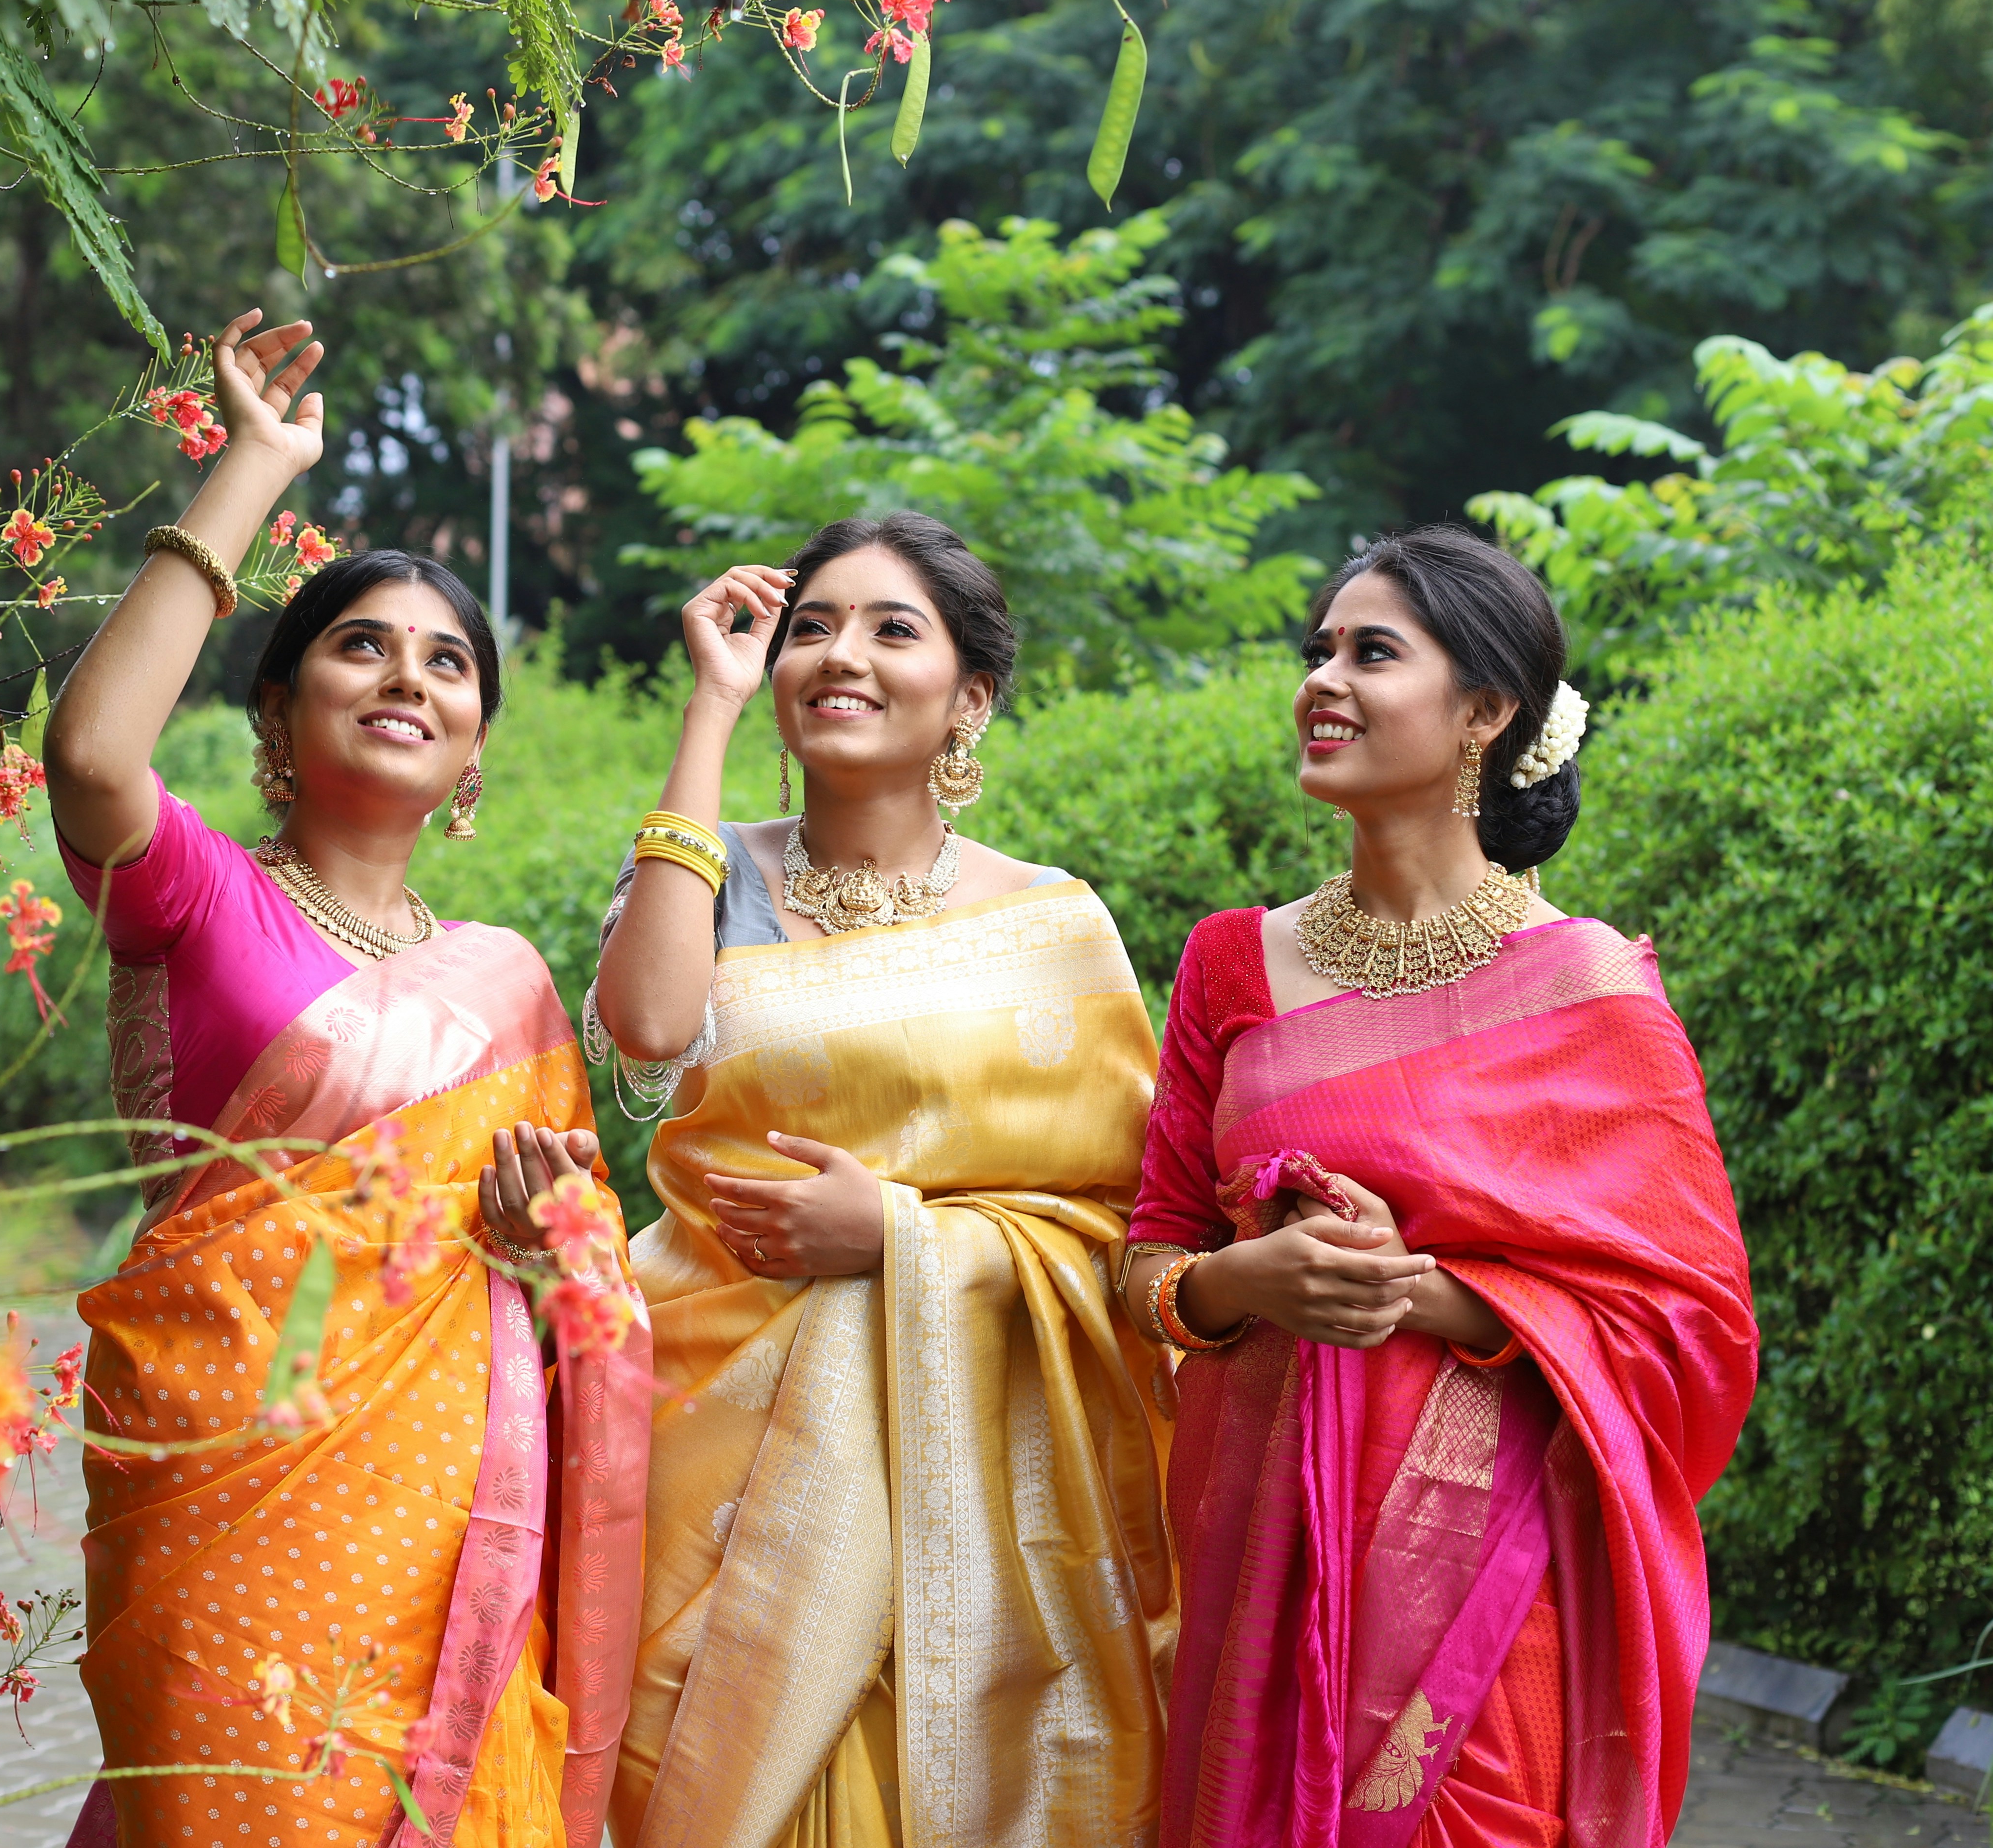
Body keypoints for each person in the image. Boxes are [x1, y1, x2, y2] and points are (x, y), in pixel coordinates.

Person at [42, 309, 651, 1848]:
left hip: (445, 1504)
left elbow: (589, 1280)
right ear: (278, 713)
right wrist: (251, 470)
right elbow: (96, 755)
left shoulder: (505, 985)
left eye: (448, 665)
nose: (408, 679)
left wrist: (545, 1239)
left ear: (475, 754)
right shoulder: (194, 893)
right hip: (223, 1474)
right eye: (359, 646)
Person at [1123, 525, 1758, 1848]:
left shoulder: (1589, 990)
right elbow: (1150, 1262)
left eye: (1372, 653)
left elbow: (1692, 1324)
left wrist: (1442, 1300)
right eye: (1317, 652)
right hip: (1262, 1561)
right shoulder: (1230, 964)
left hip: (1488, 1572)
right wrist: (1244, 1281)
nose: (1322, 682)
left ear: (1484, 710)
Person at [588, 513, 1174, 1848]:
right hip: (718, 1461)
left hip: (976, 1484)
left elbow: (1127, 1236)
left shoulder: (1054, 927)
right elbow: (650, 1026)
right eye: (812, 628)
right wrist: (710, 708)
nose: (838, 656)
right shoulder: (707, 865)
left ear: (969, 698)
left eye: (890, 629)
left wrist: (904, 1241)